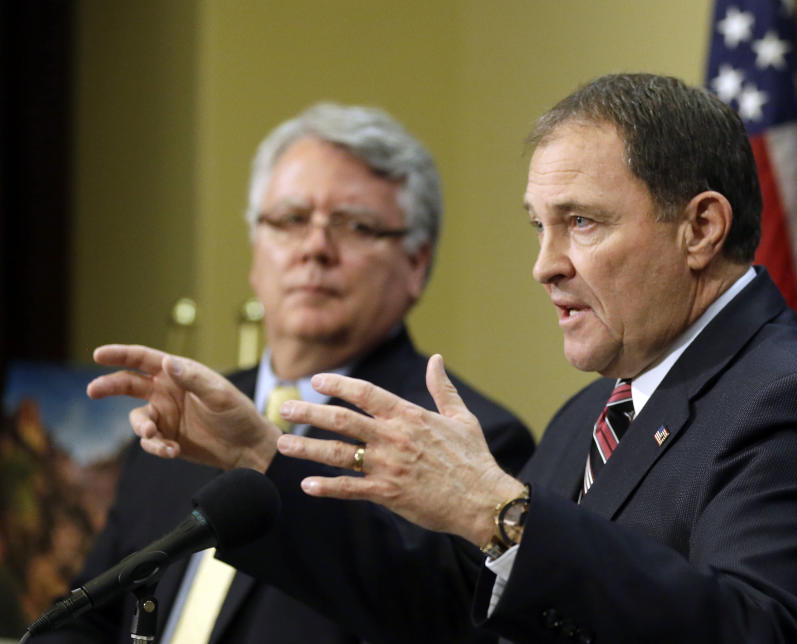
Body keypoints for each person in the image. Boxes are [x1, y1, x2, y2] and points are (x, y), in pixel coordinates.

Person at [85, 73, 797, 643]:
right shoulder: (590, 416)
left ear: (700, 228)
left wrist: (501, 518)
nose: (544, 264)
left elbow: (759, 633)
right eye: (537, 226)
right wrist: (259, 455)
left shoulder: (789, 404)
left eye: (580, 222)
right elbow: (449, 615)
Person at [35, 103, 534, 644]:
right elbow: (90, 617)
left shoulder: (462, 436)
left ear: (416, 264)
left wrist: (262, 456)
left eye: (354, 225)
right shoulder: (192, 410)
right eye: (291, 220)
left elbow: (444, 617)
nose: (315, 248)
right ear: (256, 250)